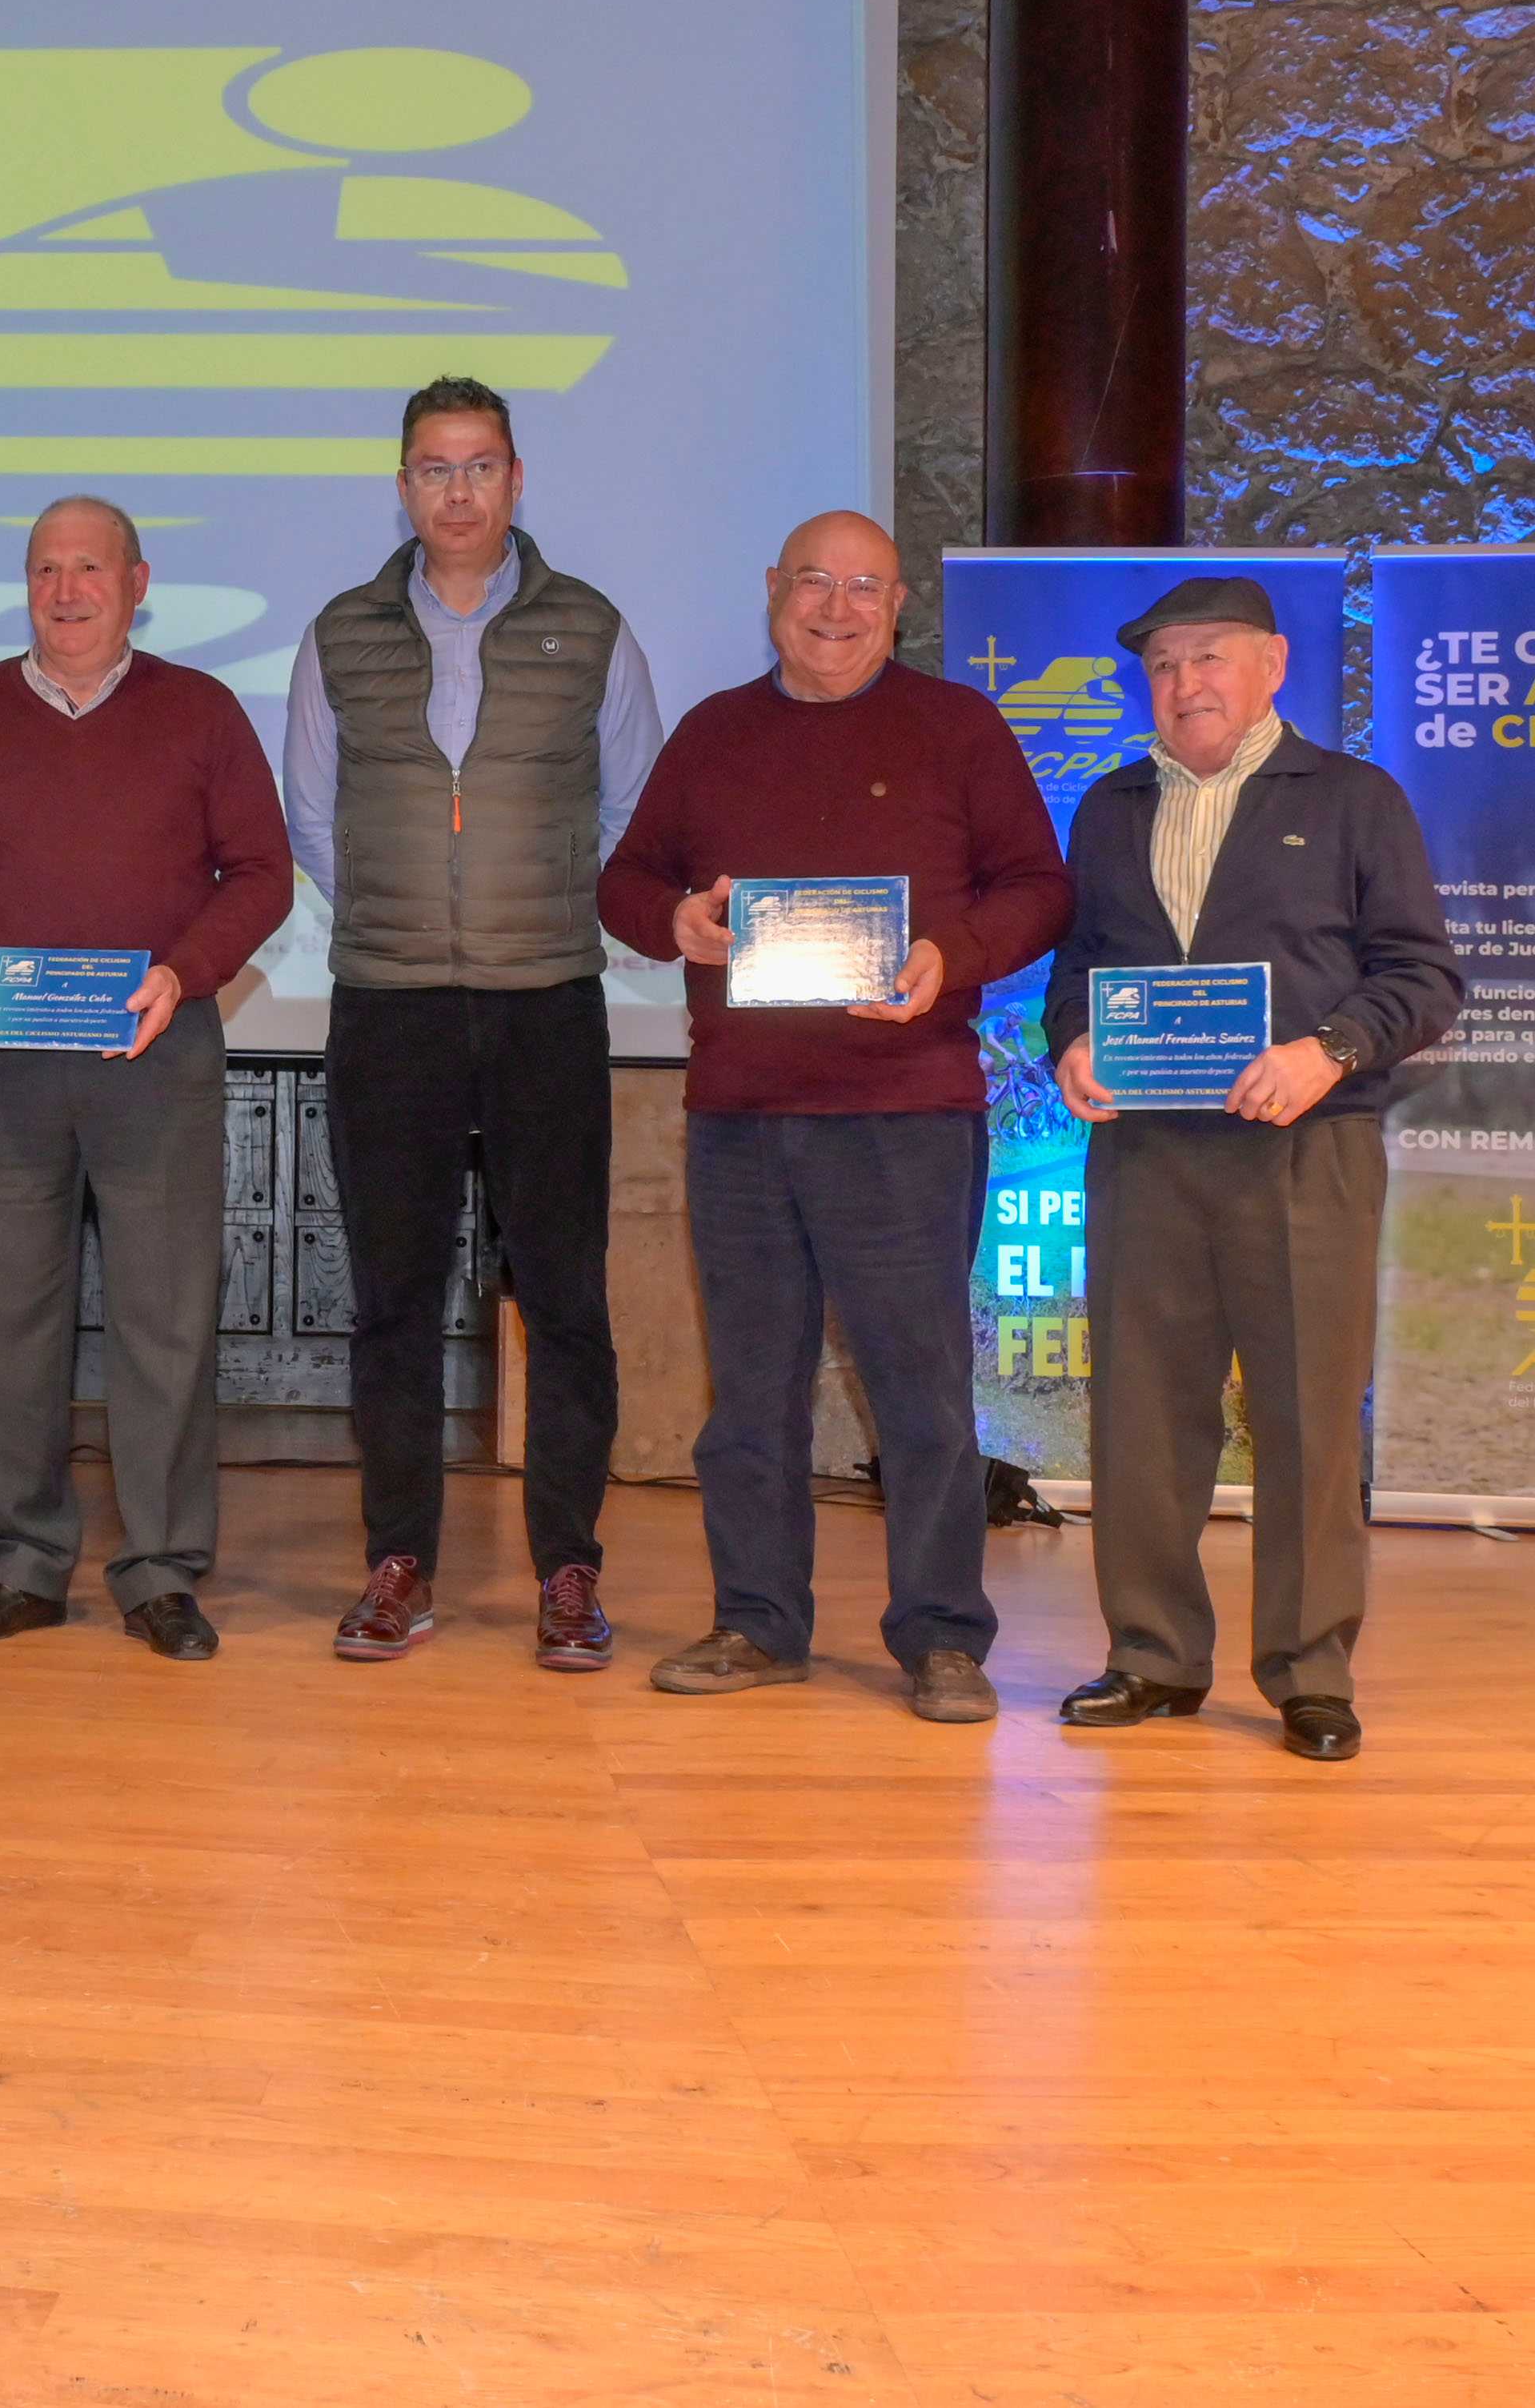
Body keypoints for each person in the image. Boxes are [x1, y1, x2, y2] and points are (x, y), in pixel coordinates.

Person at [599, 510, 1072, 1722]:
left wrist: (946, 954)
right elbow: (626, 879)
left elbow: (1040, 887)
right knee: (750, 1393)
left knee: (921, 1394)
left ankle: (943, 1636)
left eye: (865, 586)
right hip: (743, 1120)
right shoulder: (714, 732)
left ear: (898, 604)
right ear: (775, 590)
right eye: (816, 580)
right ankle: (758, 1622)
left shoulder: (956, 726)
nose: (838, 606)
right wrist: (677, 925)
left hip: (904, 1117)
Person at [1044, 576, 1460, 1764]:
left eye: (1209, 657)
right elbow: (1081, 963)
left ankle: (1310, 1670)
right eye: (1164, 664)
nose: (1185, 684)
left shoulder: (1352, 798)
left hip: (1304, 1152)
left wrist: (1328, 1051)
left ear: (1273, 664)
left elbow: (1425, 976)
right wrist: (1072, 1037)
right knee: (1139, 1416)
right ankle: (1152, 1654)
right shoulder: (1110, 805)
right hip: (1147, 1150)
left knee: (1307, 1421)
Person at [279, 377, 662, 1668]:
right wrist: (415, 918)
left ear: (514, 480)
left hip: (545, 1001)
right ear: (402, 486)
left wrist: (524, 911)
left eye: (479, 466)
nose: (456, 490)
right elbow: (315, 823)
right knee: (392, 1299)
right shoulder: (339, 635)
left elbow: (630, 816)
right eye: (432, 468)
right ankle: (399, 1564)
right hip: (388, 1008)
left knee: (561, 1298)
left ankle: (568, 1570)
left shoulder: (592, 631)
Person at [0, 496, 294, 1660]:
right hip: (4, 1057)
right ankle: (23, 1559)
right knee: (11, 1321)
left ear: (138, 580)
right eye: (45, 570)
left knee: (164, 1324)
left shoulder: (202, 711)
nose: (67, 590)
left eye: (90, 568)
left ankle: (161, 1568)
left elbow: (262, 871)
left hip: (156, 1053)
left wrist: (186, 971)